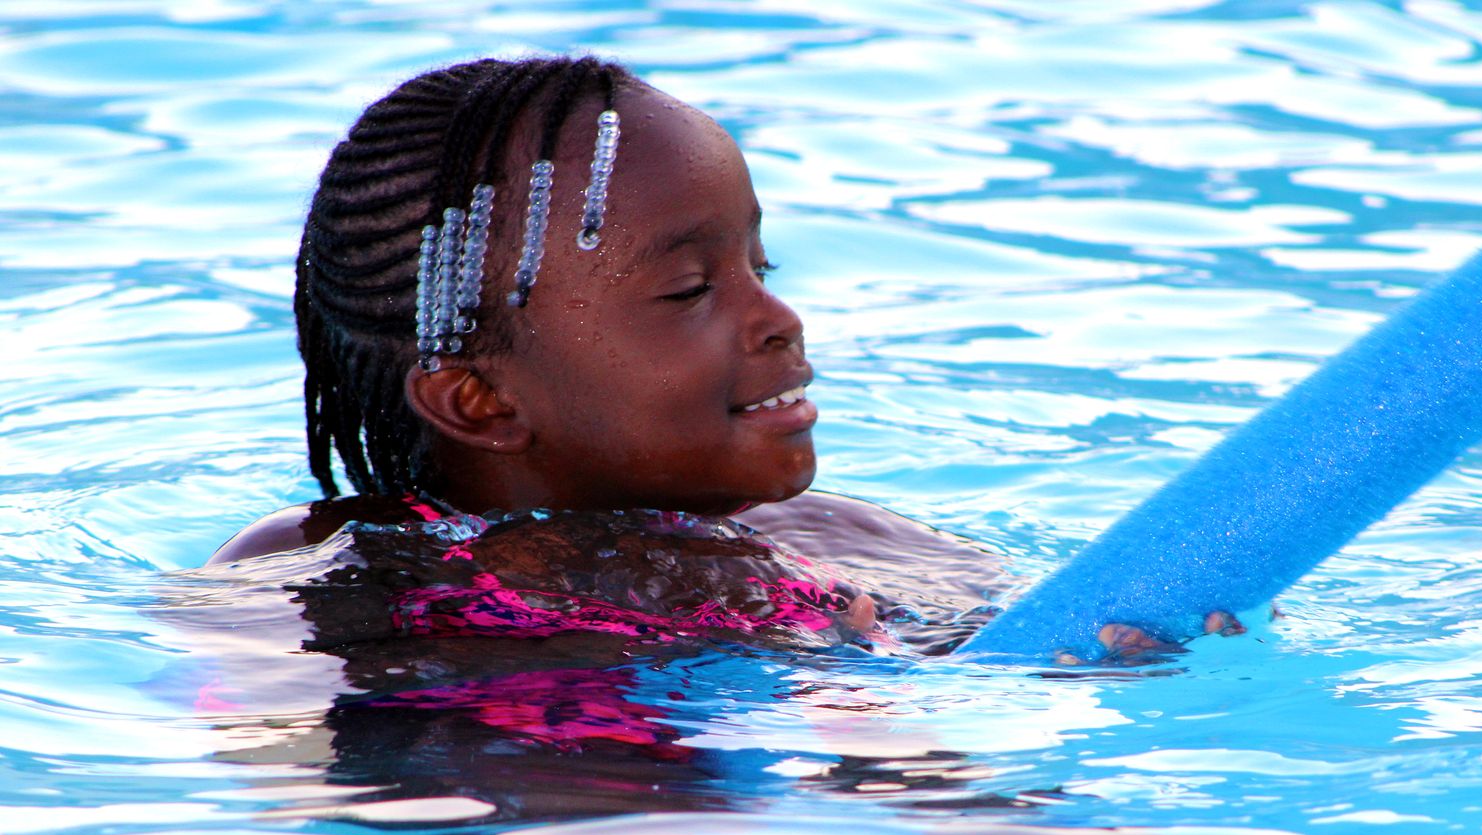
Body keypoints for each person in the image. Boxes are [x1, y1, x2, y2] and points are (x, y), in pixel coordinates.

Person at [210, 54, 1009, 660]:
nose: (780, 320)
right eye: (689, 289)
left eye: (760, 270)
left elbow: (1026, 651)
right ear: (478, 398)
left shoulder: (829, 538)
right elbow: (262, 751)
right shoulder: (330, 571)